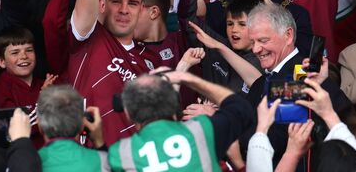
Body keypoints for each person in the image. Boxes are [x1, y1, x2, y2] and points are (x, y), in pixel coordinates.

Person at [69, 0, 162, 145]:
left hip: (134, 161)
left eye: (132, 3)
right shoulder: (88, 37)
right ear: (102, 4)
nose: (123, 10)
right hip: (90, 160)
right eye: (116, 1)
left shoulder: (152, 59)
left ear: (142, 9)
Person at [240, 3, 349, 166]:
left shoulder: (298, 76)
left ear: (288, 35)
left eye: (263, 40)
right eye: (253, 42)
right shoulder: (260, 83)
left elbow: (276, 142)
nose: (255, 49)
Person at [108, 70, 253, 170]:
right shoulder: (203, 131)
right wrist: (186, 78)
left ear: (128, 113)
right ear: (175, 106)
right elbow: (242, 109)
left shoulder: (120, 153)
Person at [36, 86, 107, 171]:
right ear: (82, 125)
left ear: (40, 125)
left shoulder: (26, 164)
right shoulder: (103, 161)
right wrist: (99, 143)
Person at [0, 26, 57, 110]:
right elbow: (17, 121)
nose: (24, 56)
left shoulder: (43, 84)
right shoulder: (2, 89)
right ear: (2, 61)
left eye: (29, 50)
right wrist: (43, 98)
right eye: (15, 52)